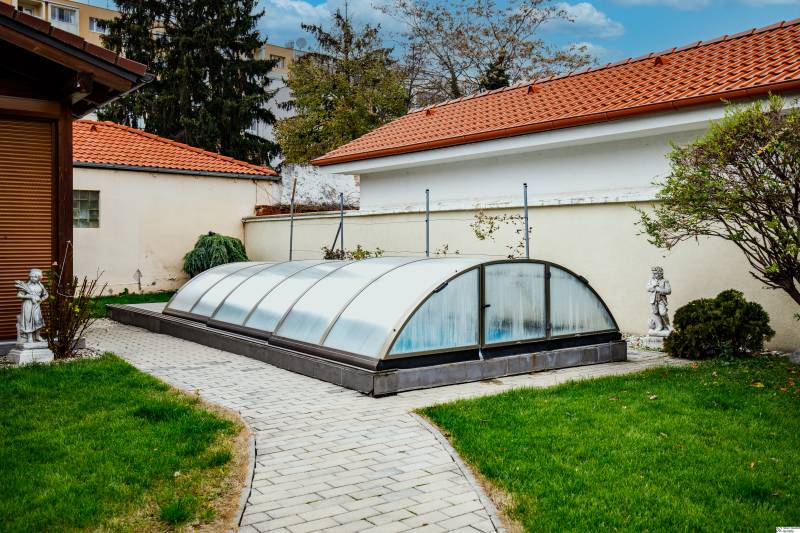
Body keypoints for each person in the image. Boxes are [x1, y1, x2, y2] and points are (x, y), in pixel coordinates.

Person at [16, 268, 48, 343]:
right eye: (31, 276)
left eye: (35, 277)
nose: (32, 278)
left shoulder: (41, 286)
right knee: (28, 320)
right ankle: (29, 337)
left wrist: (40, 300)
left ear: (39, 278)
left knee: (38, 320)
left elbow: (46, 294)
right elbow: (19, 295)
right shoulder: (26, 286)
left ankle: (37, 336)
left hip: (36, 305)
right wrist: (30, 296)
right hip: (27, 305)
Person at [647, 266, 672, 336]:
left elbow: (669, 291)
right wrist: (653, 286)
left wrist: (660, 290)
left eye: (655, 274)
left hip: (661, 300)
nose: (653, 275)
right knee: (655, 313)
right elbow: (647, 288)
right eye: (653, 273)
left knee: (663, 313)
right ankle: (659, 326)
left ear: (660, 273)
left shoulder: (665, 281)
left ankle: (668, 326)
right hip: (653, 300)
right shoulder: (651, 280)